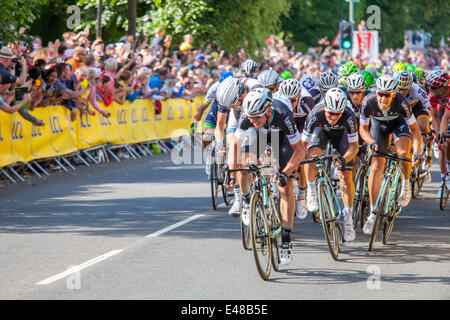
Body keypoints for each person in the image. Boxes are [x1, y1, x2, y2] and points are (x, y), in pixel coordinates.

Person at [236, 87, 306, 265]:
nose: (252, 120)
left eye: (257, 117)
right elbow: (236, 143)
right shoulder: (250, 117)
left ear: (268, 111)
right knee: (242, 165)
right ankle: (248, 201)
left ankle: (286, 239)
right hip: (259, 136)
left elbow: (299, 150)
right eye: (250, 117)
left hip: (280, 136)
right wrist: (236, 166)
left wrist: (285, 172)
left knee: (285, 186)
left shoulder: (283, 114)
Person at [360, 75, 421, 235]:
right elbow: (363, 129)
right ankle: (373, 213)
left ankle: (405, 184)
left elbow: (415, 130)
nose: (383, 98)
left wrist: (417, 152)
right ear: (376, 92)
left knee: (402, 153)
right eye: (381, 94)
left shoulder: (401, 102)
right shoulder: (368, 101)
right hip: (378, 126)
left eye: (387, 95)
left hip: (397, 124)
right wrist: (371, 143)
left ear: (394, 94)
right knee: (375, 167)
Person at [302, 88, 359, 242]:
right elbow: (303, 143)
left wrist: (345, 159)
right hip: (322, 131)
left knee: (345, 175)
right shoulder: (315, 114)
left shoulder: (348, 116)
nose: (334, 117)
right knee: (311, 154)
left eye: (337, 114)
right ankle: (312, 190)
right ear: (324, 108)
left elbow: (354, 146)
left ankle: (348, 220)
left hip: (342, 135)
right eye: (330, 113)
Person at [429, 71, 450, 195]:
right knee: (443, 144)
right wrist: (439, 135)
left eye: (433, 88)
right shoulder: (432, 96)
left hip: (447, 114)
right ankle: (444, 179)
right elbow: (436, 117)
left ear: (443, 87)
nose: (431, 90)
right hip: (444, 112)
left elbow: (447, 118)